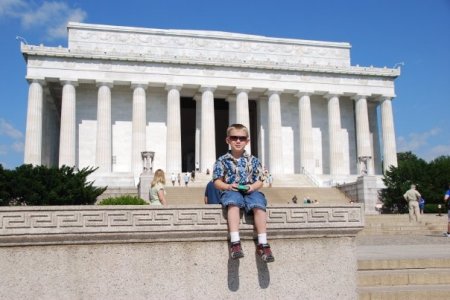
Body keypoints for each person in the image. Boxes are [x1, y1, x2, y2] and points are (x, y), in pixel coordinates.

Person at [213, 123, 274, 263]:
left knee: (259, 204)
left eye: (242, 138)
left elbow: (260, 181)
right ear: (228, 140)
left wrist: (252, 187)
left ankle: (263, 243)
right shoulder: (222, 160)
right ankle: (235, 242)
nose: (238, 141)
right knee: (233, 203)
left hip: (250, 190)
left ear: (247, 141)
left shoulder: (254, 160)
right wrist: (228, 186)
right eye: (234, 138)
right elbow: (216, 182)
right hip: (231, 189)